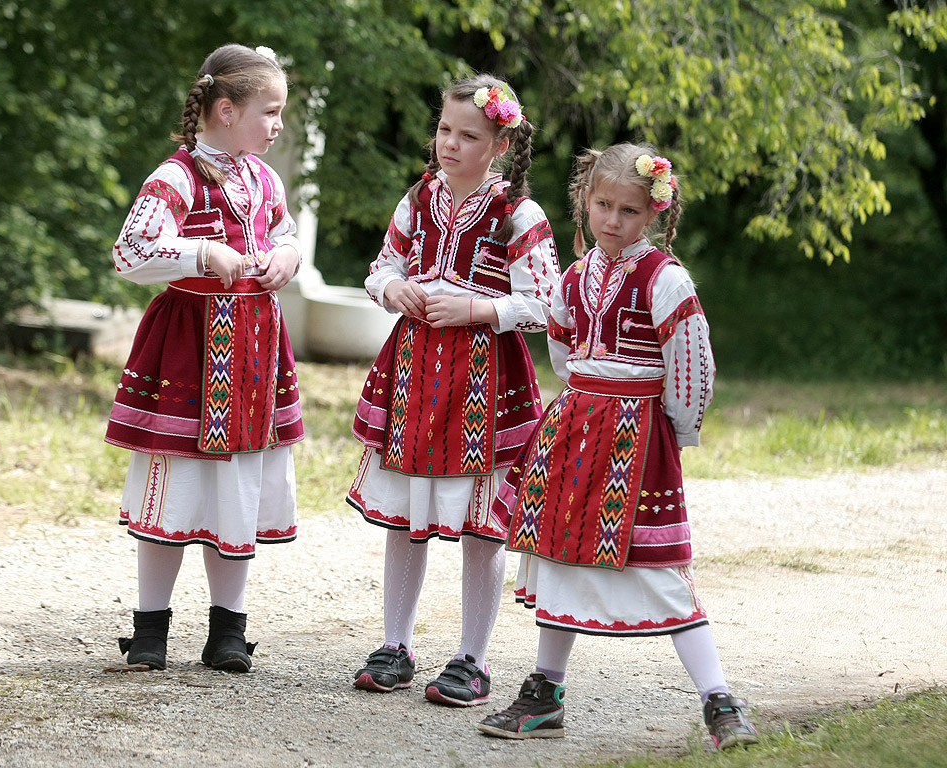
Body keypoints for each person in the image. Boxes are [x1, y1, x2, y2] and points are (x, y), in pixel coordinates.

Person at [477, 143, 760, 749]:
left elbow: (691, 365)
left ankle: (718, 699)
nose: (612, 220)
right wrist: (583, 392)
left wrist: (678, 433)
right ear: (585, 199)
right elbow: (560, 349)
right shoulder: (573, 277)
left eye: (629, 210)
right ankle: (545, 691)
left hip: (638, 437)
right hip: (575, 430)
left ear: (653, 213)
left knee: (660, 571)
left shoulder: (666, 280)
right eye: (603, 204)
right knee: (557, 557)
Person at [347, 74, 561, 707]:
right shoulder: (418, 199)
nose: (450, 144)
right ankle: (395, 644)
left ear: (497, 144)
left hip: (485, 382)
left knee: (481, 523)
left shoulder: (518, 213)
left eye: (469, 135)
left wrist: (475, 308)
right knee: (404, 516)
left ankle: (472, 658)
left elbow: (546, 301)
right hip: (414, 374)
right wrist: (393, 290)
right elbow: (380, 266)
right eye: (444, 129)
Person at [104, 43, 304, 673]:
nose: (276, 126)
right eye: (269, 112)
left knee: (237, 487)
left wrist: (286, 260)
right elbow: (130, 253)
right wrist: (200, 254)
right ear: (225, 110)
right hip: (189, 347)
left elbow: (286, 234)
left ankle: (228, 630)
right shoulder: (176, 177)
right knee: (175, 483)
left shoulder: (262, 178)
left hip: (251, 350)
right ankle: (150, 630)